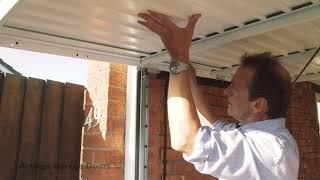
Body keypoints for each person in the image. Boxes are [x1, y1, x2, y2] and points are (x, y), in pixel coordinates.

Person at [138, 10, 299, 180]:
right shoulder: (257, 135)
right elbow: (212, 124)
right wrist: (183, 67)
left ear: (258, 104)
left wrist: (179, 58)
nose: (226, 91)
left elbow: (186, 140)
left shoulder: (270, 148)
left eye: (234, 87)